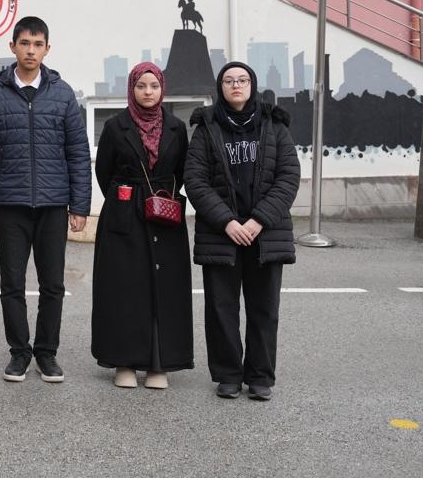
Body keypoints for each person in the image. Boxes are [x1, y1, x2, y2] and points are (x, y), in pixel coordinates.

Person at [0, 16, 91, 383]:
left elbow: (78, 152)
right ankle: (20, 352)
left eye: (38, 44)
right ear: (13, 47)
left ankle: (47, 353)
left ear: (47, 49)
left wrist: (80, 205)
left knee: (53, 284)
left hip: (53, 205)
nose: (31, 51)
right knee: (12, 284)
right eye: (24, 43)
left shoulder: (62, 93)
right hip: (9, 206)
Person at [185, 61, 300, 402]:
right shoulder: (206, 127)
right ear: (220, 87)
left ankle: (260, 376)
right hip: (221, 234)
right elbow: (195, 180)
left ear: (252, 85)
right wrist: (228, 222)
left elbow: (288, 177)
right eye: (229, 80)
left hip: (265, 233)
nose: (236, 85)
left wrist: (258, 220)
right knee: (221, 309)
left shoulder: (274, 125)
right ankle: (228, 375)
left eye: (243, 80)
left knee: (264, 308)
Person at [91, 62, 192, 390]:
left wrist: (162, 194)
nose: (148, 92)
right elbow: (104, 172)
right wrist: (127, 197)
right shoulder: (115, 126)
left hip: (165, 210)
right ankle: (124, 362)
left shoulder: (176, 127)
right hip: (124, 211)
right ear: (131, 89)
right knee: (124, 287)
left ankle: (159, 364)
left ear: (162, 89)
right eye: (141, 86)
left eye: (154, 86)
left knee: (165, 288)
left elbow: (183, 170)